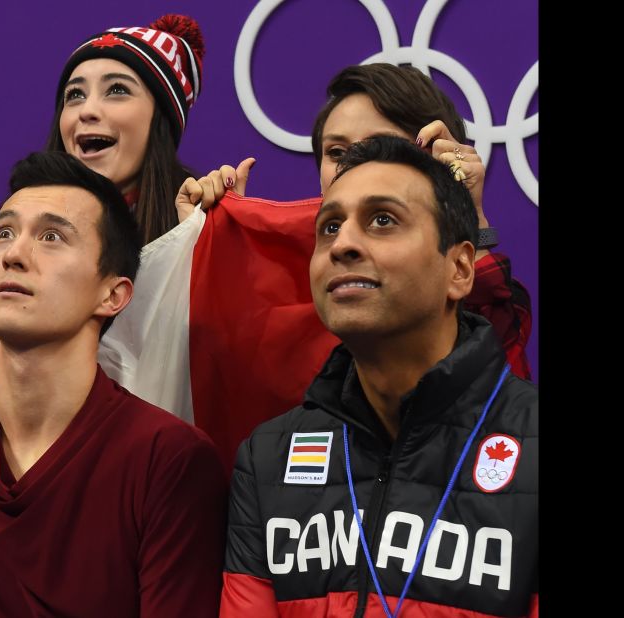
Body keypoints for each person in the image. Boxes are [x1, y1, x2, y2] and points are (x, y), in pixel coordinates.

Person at [0, 151, 227, 617]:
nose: (14, 255)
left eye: (52, 236)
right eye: (3, 233)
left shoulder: (170, 461)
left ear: (113, 294)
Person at [219, 136, 538, 616]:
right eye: (328, 228)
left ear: (460, 268)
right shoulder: (267, 457)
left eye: (383, 220)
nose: (343, 244)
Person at [180, 62, 532, 379]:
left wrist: (467, 215)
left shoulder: (482, 299)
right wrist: (215, 251)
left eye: (380, 146)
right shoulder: (278, 279)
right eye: (336, 152)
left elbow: (500, 409)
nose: (354, 165)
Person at [45, 13, 247, 246]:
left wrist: (217, 244)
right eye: (75, 94)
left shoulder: (195, 220)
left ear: (161, 120)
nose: (86, 110)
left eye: (117, 90)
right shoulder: (21, 223)